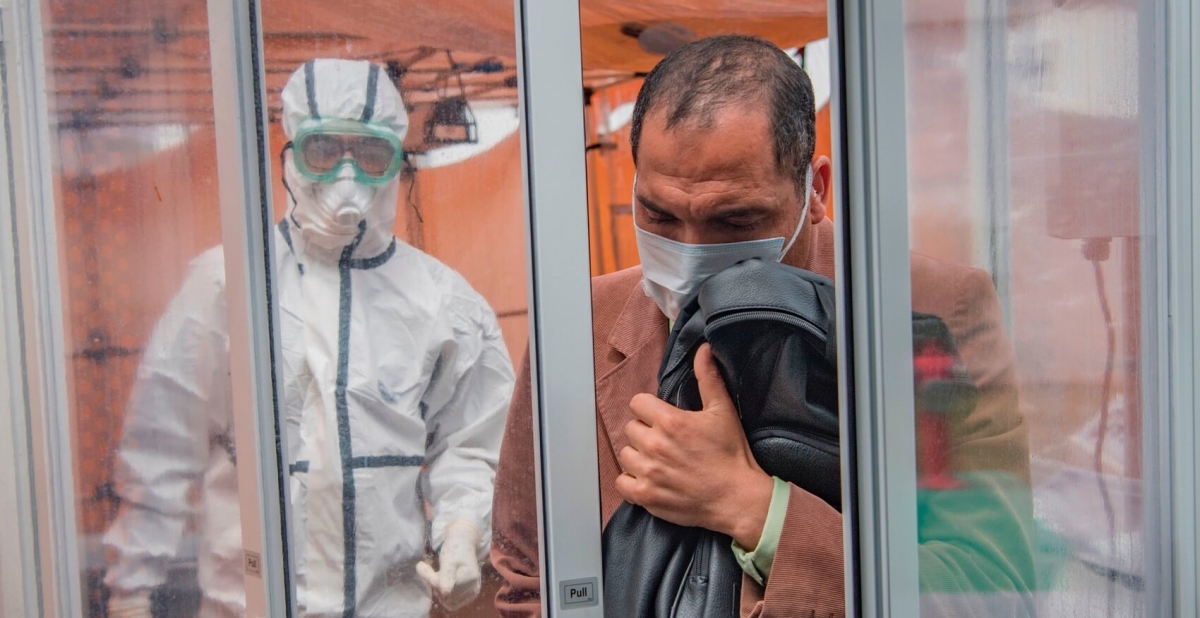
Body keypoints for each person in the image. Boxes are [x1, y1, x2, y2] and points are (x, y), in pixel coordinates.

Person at [492, 35, 1036, 617]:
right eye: (659, 215)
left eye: (735, 221)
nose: (690, 254)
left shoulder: (930, 310)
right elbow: (530, 581)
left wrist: (753, 506)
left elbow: (991, 590)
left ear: (815, 190)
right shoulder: (578, 326)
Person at [103, 58, 515, 618]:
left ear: (396, 163)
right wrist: (130, 592)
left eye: (370, 154)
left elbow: (475, 441)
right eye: (323, 150)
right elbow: (161, 448)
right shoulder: (228, 284)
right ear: (290, 157)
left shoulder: (443, 302)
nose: (347, 177)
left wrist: (463, 530)